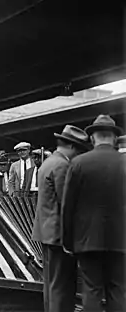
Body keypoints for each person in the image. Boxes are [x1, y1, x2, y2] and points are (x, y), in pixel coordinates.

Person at [62, 115, 126, 312]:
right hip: (121, 240)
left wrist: (67, 241)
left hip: (87, 239)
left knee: (92, 290)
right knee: (119, 289)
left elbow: (68, 206)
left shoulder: (78, 163)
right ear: (114, 138)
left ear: (92, 138)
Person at [32, 125, 89, 312]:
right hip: (59, 235)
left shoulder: (48, 162)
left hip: (46, 231)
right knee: (63, 285)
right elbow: (67, 203)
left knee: (51, 283)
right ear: (72, 147)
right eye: (79, 151)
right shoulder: (62, 166)